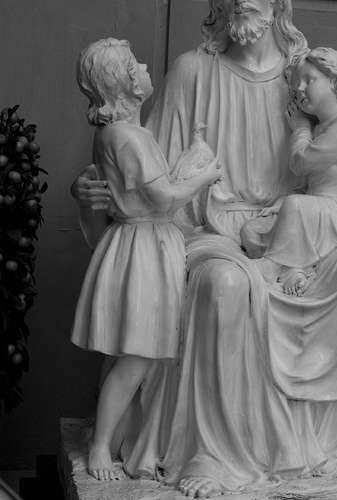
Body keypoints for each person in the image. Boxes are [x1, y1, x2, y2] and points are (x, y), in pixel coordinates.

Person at [71, 1, 337, 498]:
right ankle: (213, 452)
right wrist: (91, 189)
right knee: (225, 282)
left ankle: (329, 443)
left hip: (301, 233)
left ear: (278, 4)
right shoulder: (192, 72)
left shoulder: (306, 74)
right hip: (208, 232)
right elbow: (138, 173)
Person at [71, 38, 221, 482]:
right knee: (136, 354)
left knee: (134, 353)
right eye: (135, 64)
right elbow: (165, 197)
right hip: (143, 248)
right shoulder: (128, 138)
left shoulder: (122, 134)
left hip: (143, 243)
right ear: (125, 82)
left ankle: (112, 436)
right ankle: (101, 445)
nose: (144, 66)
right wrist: (205, 176)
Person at [244, 47, 337, 296]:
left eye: (309, 80)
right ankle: (294, 269)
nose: (300, 88)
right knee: (252, 230)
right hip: (324, 209)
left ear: (336, 80)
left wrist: (300, 128)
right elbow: (318, 181)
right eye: (297, 83)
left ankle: (274, 266)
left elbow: (301, 163)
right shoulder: (325, 125)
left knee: (295, 206)